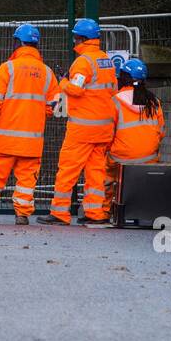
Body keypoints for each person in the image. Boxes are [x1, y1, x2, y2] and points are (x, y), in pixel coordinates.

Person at [0, 23, 60, 224]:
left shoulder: (7, 69)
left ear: (17, 43)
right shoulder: (47, 73)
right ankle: (22, 215)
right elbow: (53, 105)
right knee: (27, 180)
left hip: (3, 139)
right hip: (32, 141)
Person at [38, 18, 118, 226]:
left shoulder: (83, 62)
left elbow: (76, 89)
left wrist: (62, 80)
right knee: (96, 172)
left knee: (68, 169)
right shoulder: (106, 60)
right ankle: (96, 213)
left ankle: (59, 213)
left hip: (83, 128)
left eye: (75, 37)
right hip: (103, 128)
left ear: (81, 38)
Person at [106, 58, 166, 205]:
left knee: (102, 173)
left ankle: (103, 211)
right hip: (149, 158)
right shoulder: (154, 102)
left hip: (121, 158)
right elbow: (162, 132)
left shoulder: (115, 100)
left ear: (125, 78)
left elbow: (108, 133)